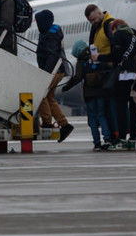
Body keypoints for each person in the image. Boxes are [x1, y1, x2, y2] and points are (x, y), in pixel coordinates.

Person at [85, 5, 136, 149]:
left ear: (99, 12)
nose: (92, 22)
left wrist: (100, 58)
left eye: (93, 19)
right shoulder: (133, 34)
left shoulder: (110, 27)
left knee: (118, 106)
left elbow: (116, 54)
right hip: (133, 73)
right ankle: (131, 139)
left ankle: (119, 138)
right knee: (133, 107)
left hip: (118, 72)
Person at [33, 9, 74, 142]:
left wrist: (45, 73)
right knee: (50, 97)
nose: (38, 25)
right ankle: (64, 125)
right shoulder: (48, 32)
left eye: (39, 22)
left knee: (40, 94)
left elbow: (52, 55)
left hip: (53, 71)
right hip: (57, 70)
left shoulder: (50, 35)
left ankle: (47, 123)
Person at [65, 40, 112, 151]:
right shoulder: (96, 54)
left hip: (89, 94)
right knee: (102, 115)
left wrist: (67, 87)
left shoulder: (81, 60)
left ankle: (96, 143)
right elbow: (107, 67)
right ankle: (107, 139)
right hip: (100, 92)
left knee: (92, 119)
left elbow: (78, 77)